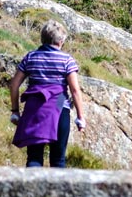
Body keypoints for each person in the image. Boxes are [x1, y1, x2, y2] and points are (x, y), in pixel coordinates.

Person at [9, 20, 87, 167]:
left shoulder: (31, 57)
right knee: (58, 159)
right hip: (59, 105)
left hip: (34, 108)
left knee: (34, 157)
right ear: (61, 41)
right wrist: (80, 117)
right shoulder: (67, 60)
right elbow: (75, 90)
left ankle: (32, 189)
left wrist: (15, 111)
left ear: (42, 38)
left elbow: (14, 85)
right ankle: (56, 190)